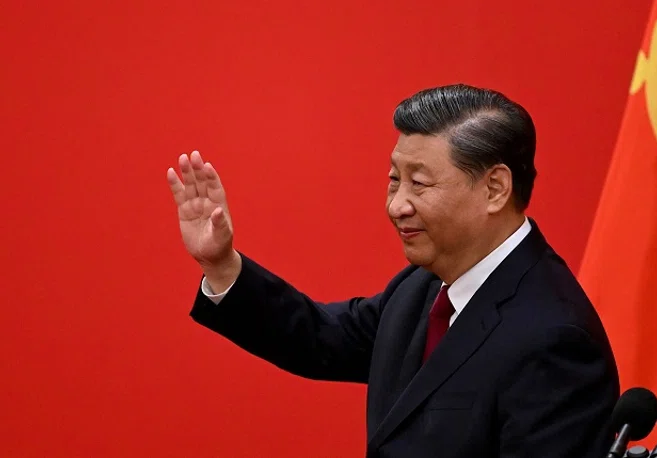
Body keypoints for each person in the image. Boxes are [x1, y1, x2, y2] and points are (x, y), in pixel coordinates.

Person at [168, 84, 620, 458]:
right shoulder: (424, 284)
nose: (396, 205)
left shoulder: (554, 341)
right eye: (393, 179)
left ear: (496, 189)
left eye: (419, 184)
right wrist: (223, 264)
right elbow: (324, 339)